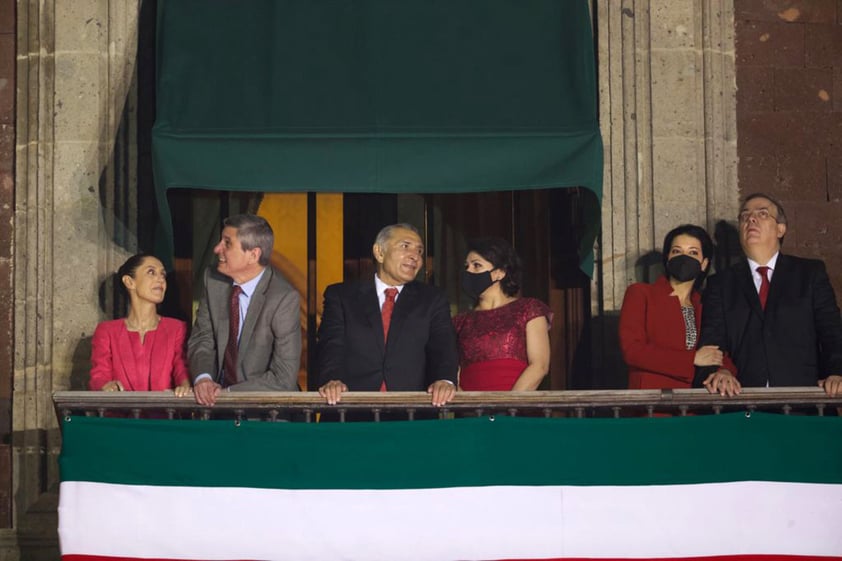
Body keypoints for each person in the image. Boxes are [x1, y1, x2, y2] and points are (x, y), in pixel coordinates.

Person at [694, 193, 842, 397]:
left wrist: (837, 372)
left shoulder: (809, 273)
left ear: (781, 229)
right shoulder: (721, 283)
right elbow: (713, 340)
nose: (751, 219)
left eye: (762, 214)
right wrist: (721, 371)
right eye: (745, 216)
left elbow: (832, 331)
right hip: (741, 401)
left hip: (803, 401)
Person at [316, 223, 458, 407]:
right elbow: (331, 344)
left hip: (411, 413)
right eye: (405, 246)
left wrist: (444, 380)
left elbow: (443, 345)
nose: (415, 256)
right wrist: (331, 379)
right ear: (379, 252)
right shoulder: (342, 296)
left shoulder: (432, 299)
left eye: (420, 251)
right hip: (351, 410)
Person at [188, 214, 301, 406]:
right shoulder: (213, 280)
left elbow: (283, 377)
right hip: (214, 411)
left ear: (253, 255)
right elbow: (202, 338)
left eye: (227, 244)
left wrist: (227, 394)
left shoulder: (284, 298)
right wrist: (204, 379)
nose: (217, 249)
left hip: (265, 415)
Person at [619, 224, 725, 389]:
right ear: (667, 258)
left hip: (694, 405)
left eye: (693, 252)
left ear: (704, 263)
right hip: (651, 404)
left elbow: (719, 350)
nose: (684, 258)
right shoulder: (640, 293)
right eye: (676, 251)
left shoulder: (705, 303)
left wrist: (725, 371)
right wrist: (691, 359)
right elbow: (632, 350)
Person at [452, 237, 551, 391]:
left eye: (476, 265)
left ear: (499, 273)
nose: (468, 271)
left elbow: (540, 365)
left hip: (515, 408)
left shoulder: (529, 309)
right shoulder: (460, 321)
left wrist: (509, 405)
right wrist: (466, 404)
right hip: (471, 409)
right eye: (466, 266)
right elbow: (454, 372)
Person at [89, 253, 192, 395]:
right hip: (118, 416)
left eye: (163, 274)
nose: (160, 279)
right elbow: (99, 375)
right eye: (151, 272)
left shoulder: (177, 328)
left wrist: (185, 386)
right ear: (129, 282)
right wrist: (106, 386)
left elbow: (181, 369)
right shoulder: (107, 331)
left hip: (164, 415)